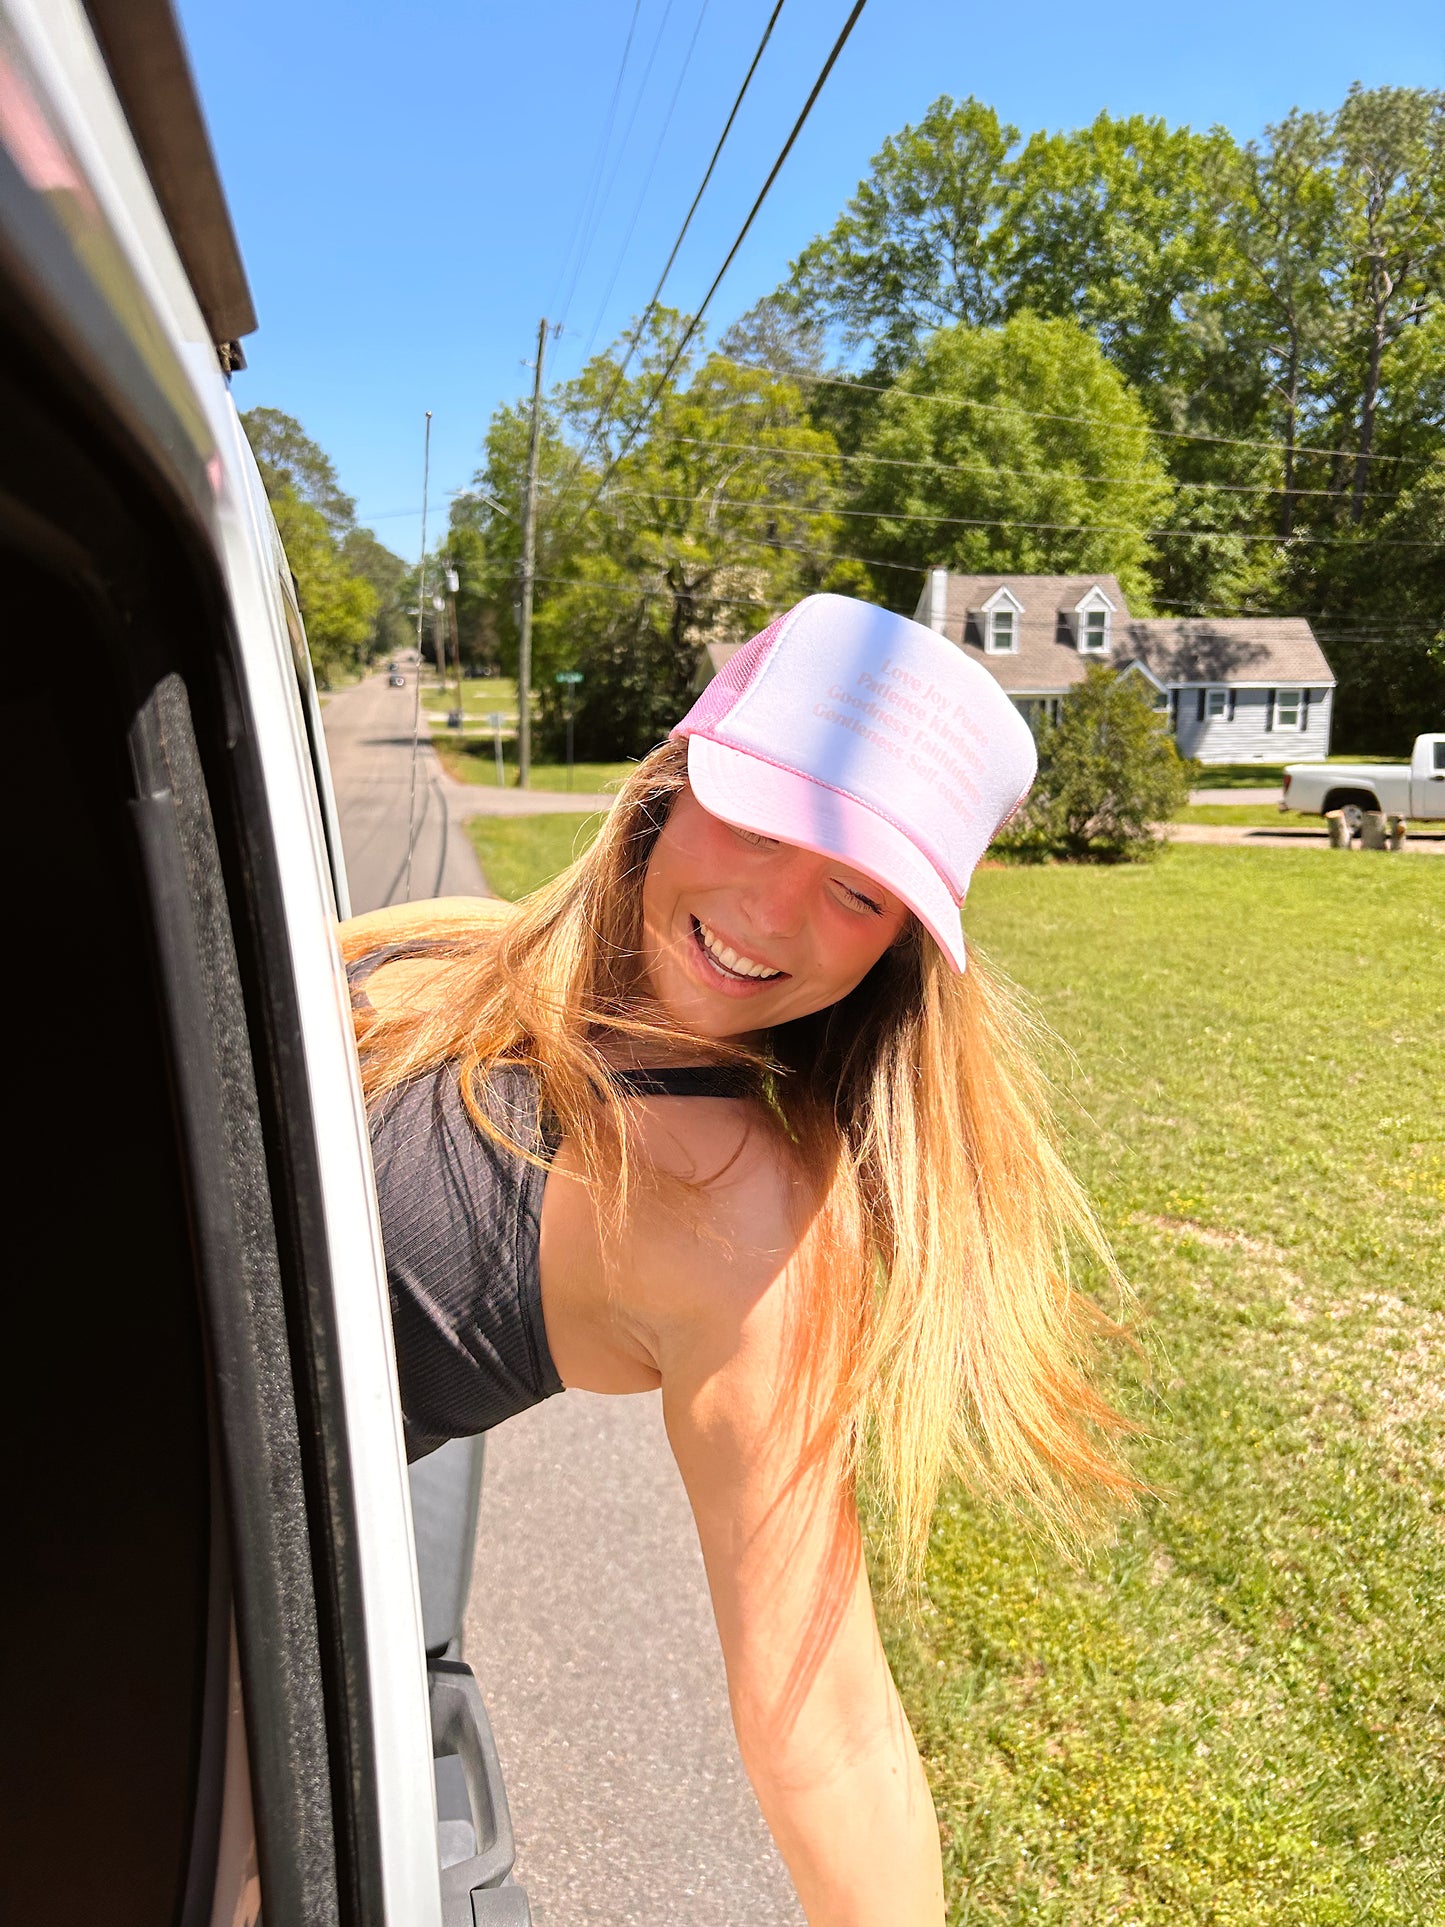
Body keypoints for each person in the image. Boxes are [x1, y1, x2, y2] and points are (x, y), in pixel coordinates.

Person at [342, 593, 1131, 1925]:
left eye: (855, 888)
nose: (770, 911)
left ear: (898, 943)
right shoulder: (444, 948)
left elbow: (822, 1717)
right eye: (758, 816)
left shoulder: (740, 1222)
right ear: (669, 781)